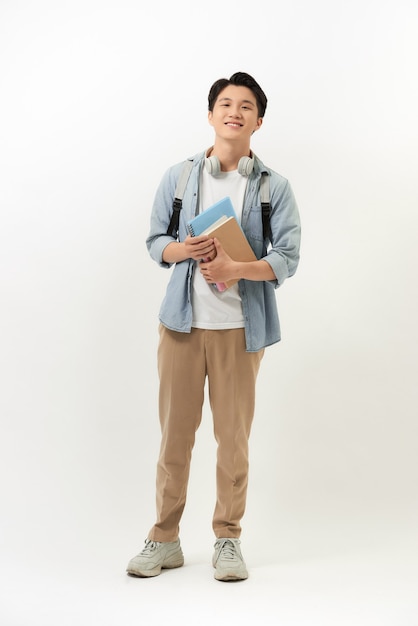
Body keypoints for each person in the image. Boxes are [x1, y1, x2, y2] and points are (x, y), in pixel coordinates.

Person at [126, 72, 301, 582]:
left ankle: (228, 539)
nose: (235, 112)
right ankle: (164, 539)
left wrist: (235, 270)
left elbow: (288, 259)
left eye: (246, 106)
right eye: (226, 103)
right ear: (210, 115)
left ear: (258, 121)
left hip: (240, 331)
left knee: (233, 440)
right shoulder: (179, 178)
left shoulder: (274, 187)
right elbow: (156, 242)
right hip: (180, 325)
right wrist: (186, 250)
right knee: (174, 439)